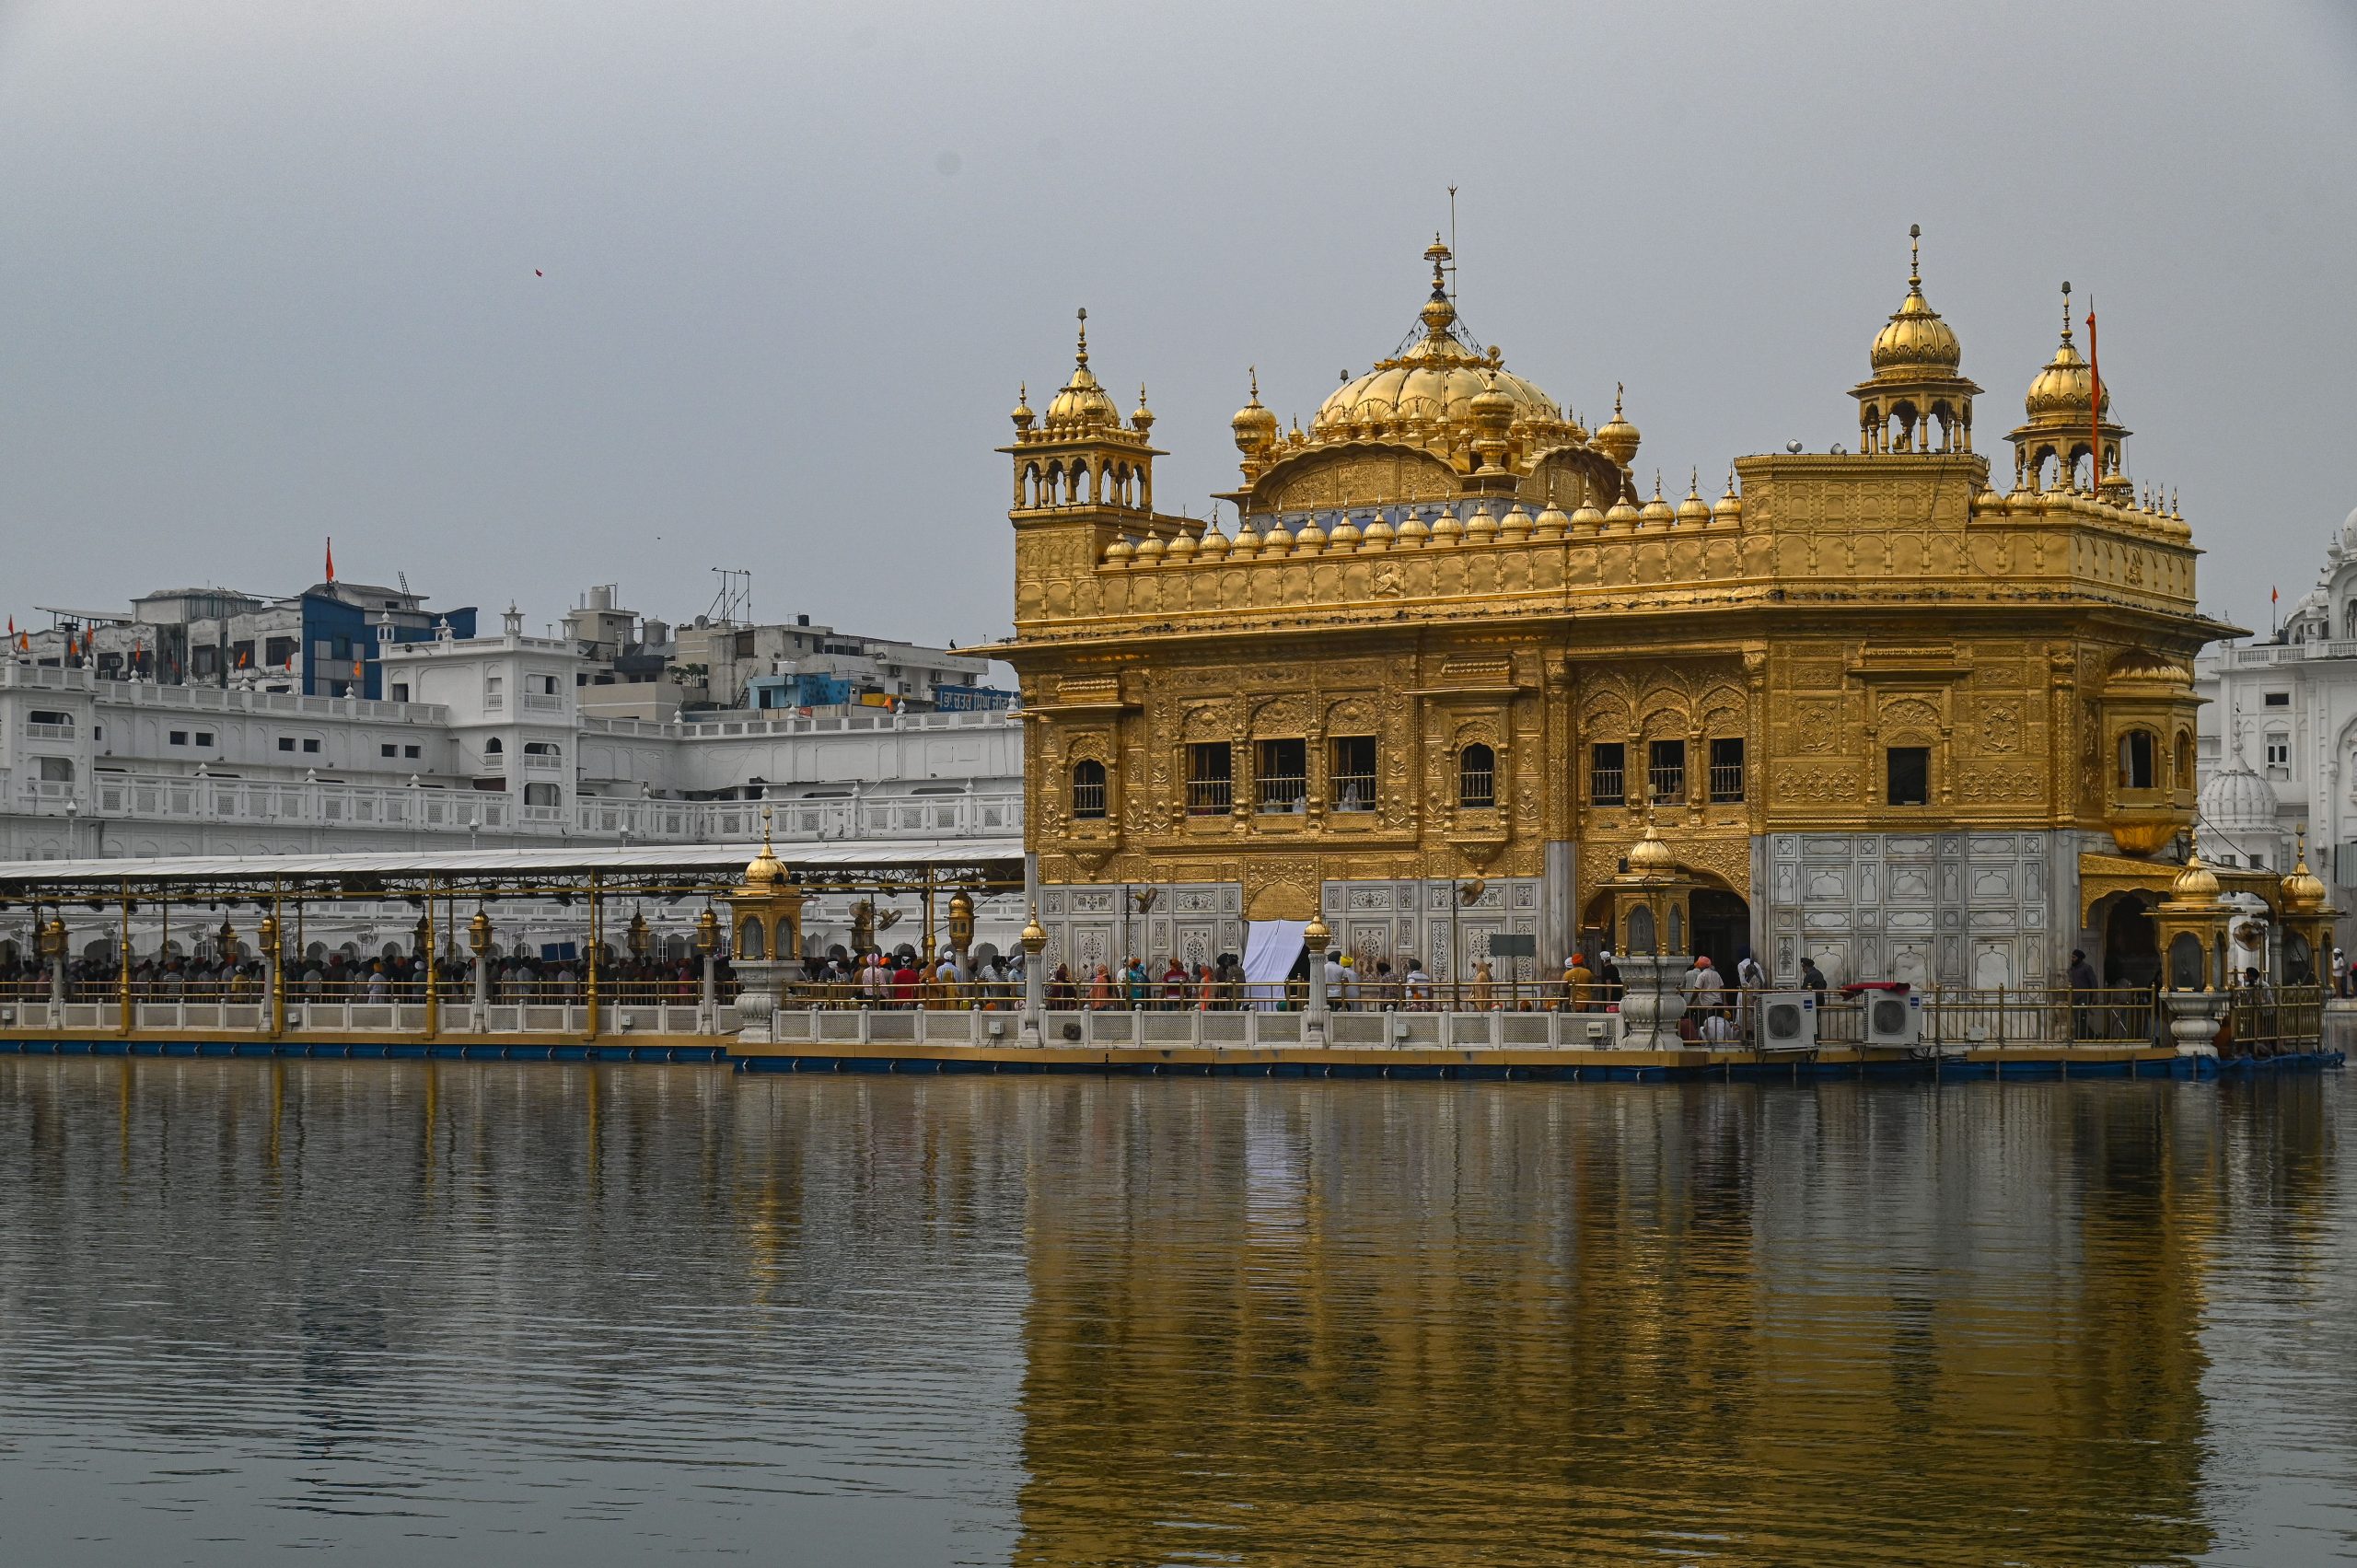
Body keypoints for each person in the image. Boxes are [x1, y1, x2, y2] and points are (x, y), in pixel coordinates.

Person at [2066, 947, 2100, 1040]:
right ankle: (2093, 1036)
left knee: (2081, 1017)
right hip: (2076, 997)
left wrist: (2094, 997)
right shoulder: (2072, 969)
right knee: (2078, 1019)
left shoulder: (2087, 968)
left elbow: (2094, 983)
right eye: (2072, 957)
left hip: (2084, 996)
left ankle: (2081, 1038)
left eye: (2074, 957)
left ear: (2079, 958)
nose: (2072, 959)